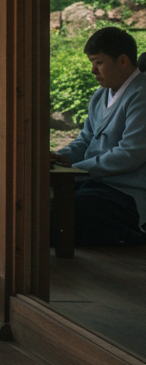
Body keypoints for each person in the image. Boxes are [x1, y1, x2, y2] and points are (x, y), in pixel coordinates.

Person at [53, 26, 146, 247]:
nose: (93, 70)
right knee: (42, 204)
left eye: (98, 62)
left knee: (68, 213)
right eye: (91, 63)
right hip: (94, 183)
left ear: (122, 61)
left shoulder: (141, 95)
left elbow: (130, 154)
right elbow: (85, 139)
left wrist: (76, 171)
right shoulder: (100, 95)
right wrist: (60, 158)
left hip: (126, 193)